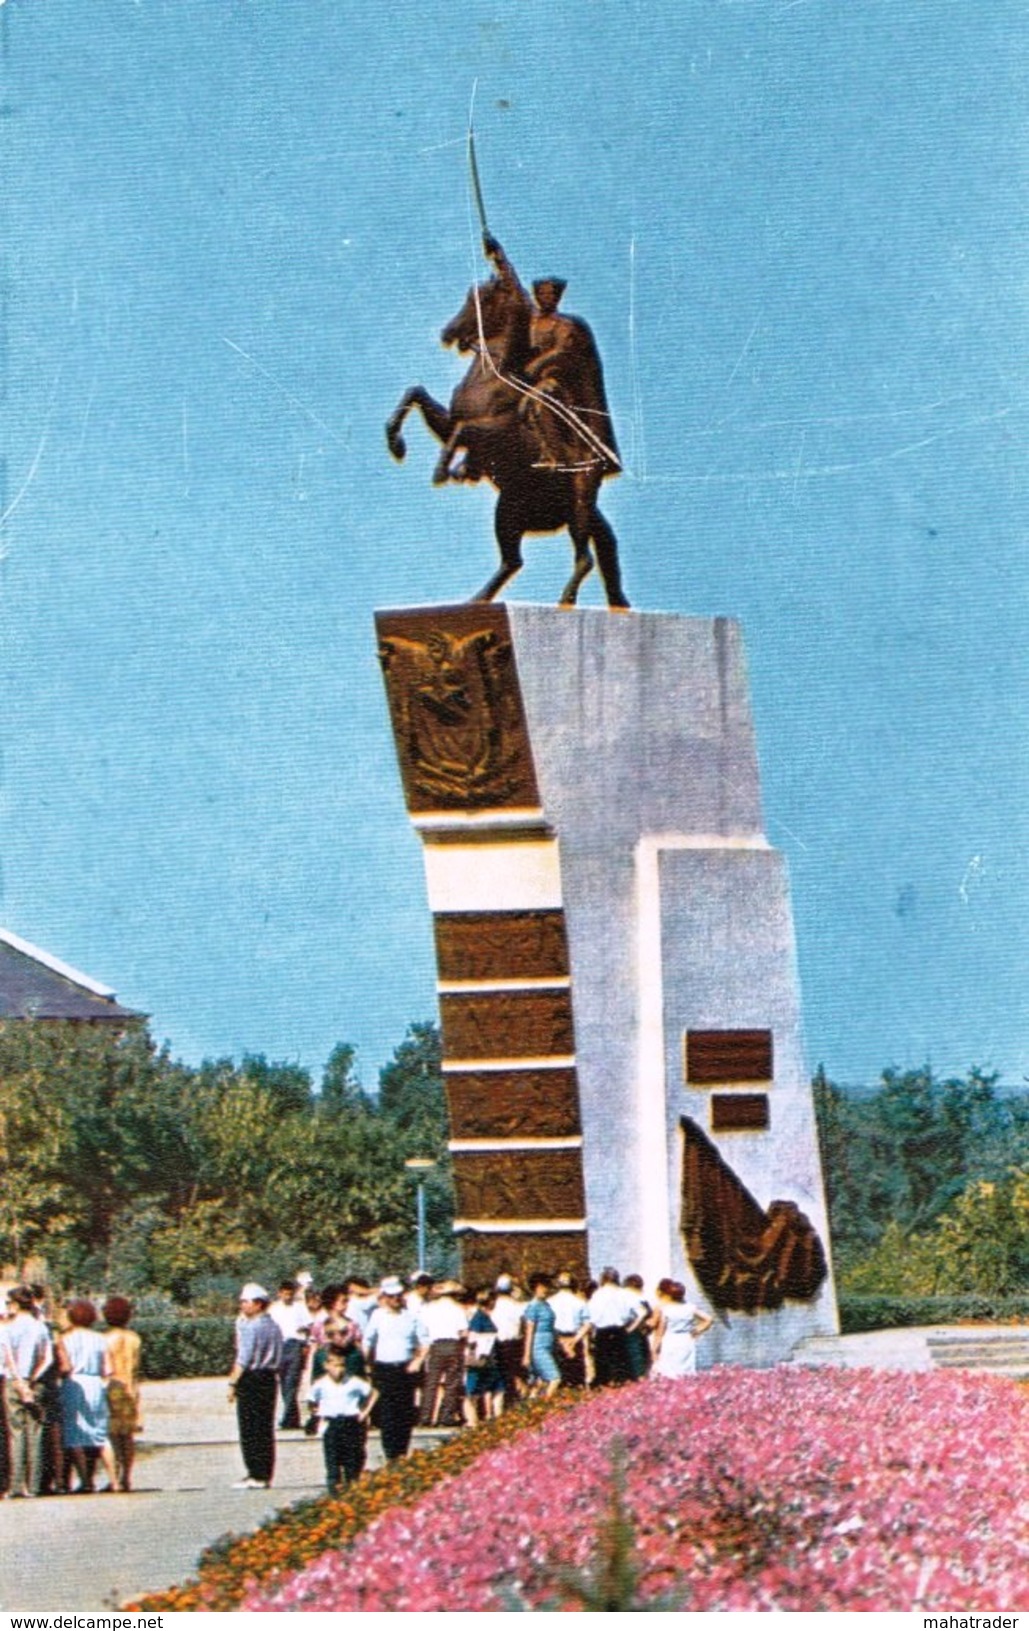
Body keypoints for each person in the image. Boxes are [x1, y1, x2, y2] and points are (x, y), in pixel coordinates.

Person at [483, 234, 621, 478]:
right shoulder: (532, 319)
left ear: (557, 298)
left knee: (538, 401)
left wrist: (539, 363)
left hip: (555, 384)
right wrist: (499, 256)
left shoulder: (565, 325)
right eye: (542, 293)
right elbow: (514, 289)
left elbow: (563, 352)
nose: (546, 297)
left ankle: (555, 454)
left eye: (551, 294)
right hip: (526, 381)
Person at [57, 1299, 117, 1494]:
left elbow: (63, 1366)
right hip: (95, 1383)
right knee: (100, 1434)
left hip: (73, 1383)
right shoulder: (100, 1338)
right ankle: (114, 1480)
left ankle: (86, 1481)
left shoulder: (65, 1339)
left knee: (74, 1433)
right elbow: (109, 1368)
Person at [227, 1282, 282, 1490]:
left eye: (245, 1301)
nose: (242, 1305)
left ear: (259, 1304)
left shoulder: (252, 1327)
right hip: (269, 1378)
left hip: (252, 1378)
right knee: (265, 1427)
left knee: (250, 1428)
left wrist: (233, 1383)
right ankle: (265, 1473)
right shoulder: (273, 1326)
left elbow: (243, 1358)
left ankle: (255, 1473)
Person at [363, 1277, 422, 1462]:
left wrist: (418, 1360)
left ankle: (402, 1452)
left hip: (405, 1369)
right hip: (384, 1368)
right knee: (387, 1413)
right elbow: (368, 1340)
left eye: (398, 1295)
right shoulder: (378, 1316)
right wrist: (366, 1363)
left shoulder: (411, 1317)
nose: (396, 1299)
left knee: (405, 1412)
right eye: (392, 1296)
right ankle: (390, 1454)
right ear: (385, 1297)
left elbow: (425, 1342)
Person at [2, 1286, 53, 1498]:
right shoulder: (40, 1327)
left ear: (14, 1304)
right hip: (36, 1382)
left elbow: (8, 1357)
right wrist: (32, 1379)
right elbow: (47, 1358)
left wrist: (19, 1381)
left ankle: (15, 1486)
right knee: (36, 1432)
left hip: (14, 1382)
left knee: (16, 1432)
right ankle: (34, 1485)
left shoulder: (8, 1328)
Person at [307, 1347, 377, 1494]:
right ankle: (334, 1493)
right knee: (332, 1461)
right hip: (331, 1424)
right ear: (326, 1366)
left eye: (342, 1365)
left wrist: (365, 1412)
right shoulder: (321, 1384)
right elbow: (311, 1399)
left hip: (350, 1422)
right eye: (335, 1365)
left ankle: (352, 1490)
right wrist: (315, 1413)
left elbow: (373, 1392)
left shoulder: (353, 1382)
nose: (339, 1370)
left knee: (352, 1460)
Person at [102, 1296, 142, 1493]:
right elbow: (135, 1369)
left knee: (112, 1435)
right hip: (130, 1387)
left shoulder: (106, 1339)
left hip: (112, 1387)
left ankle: (114, 1477)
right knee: (128, 1436)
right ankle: (127, 1476)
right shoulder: (134, 1338)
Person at [417, 1280, 467, 1427]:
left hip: (435, 1346)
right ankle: (445, 1416)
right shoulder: (458, 1309)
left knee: (431, 1383)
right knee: (452, 1383)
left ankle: (425, 1417)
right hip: (453, 1345)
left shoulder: (429, 1308)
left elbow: (423, 1329)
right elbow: (463, 1331)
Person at [583, 1267, 636, 1387]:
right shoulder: (624, 1293)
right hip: (620, 1331)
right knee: (621, 1365)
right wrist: (631, 1328)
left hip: (603, 1332)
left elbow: (591, 1317)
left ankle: (604, 1388)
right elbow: (641, 1313)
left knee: (603, 1366)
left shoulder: (598, 1294)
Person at [268, 1279, 309, 1431]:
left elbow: (307, 1328)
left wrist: (305, 1345)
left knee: (292, 1382)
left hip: (294, 1345)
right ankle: (293, 1418)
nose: (287, 1297)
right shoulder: (273, 1309)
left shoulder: (299, 1307)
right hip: (279, 1346)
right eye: (285, 1294)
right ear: (280, 1293)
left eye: (290, 1294)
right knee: (284, 1383)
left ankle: (288, 1418)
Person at [651, 1279, 714, 1377]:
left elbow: (660, 1332)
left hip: (670, 1340)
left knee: (670, 1371)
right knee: (686, 1370)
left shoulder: (666, 1310)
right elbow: (709, 1319)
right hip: (686, 1340)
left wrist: (654, 1349)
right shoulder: (690, 1307)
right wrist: (698, 1329)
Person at [463, 1287, 504, 1425]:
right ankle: (471, 1421)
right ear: (490, 1301)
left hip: (489, 1359)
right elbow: (472, 1337)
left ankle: (497, 1418)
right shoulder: (479, 1317)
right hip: (481, 1358)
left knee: (497, 1388)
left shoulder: (484, 1316)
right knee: (473, 1392)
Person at [521, 1274, 561, 1398]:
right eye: (542, 1287)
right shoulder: (533, 1306)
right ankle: (545, 1405)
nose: (545, 1290)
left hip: (548, 1344)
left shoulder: (546, 1305)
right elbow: (529, 1331)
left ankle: (532, 1407)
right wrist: (527, 1355)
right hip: (538, 1346)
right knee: (555, 1378)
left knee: (540, 1382)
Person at [548, 1271, 589, 1388]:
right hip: (574, 1339)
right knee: (577, 1377)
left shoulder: (550, 1302)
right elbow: (587, 1324)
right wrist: (575, 1340)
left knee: (559, 1376)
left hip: (557, 1340)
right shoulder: (580, 1302)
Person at [491, 1274, 525, 1402]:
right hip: (514, 1343)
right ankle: (514, 1400)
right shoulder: (517, 1306)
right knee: (515, 1375)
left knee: (503, 1376)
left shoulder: (493, 1306)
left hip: (497, 1344)